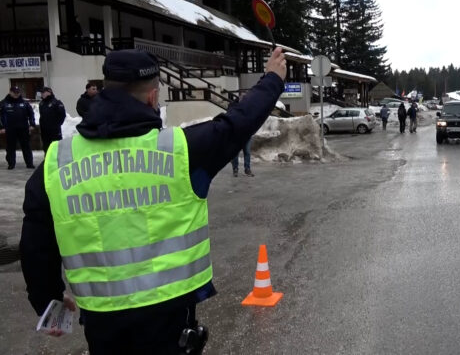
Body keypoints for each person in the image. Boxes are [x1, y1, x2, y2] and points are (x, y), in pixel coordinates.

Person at [20, 48, 286, 353]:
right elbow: (238, 122)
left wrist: (48, 300)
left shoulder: (56, 163)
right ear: (151, 97)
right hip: (169, 322)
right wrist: (272, 80)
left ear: (105, 88)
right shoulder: (181, 151)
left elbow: (35, 247)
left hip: (102, 323)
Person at [0, 86, 36, 169]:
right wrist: (1, 127)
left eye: (18, 92)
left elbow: (31, 114)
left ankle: (29, 163)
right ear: (10, 92)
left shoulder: (24, 103)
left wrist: (32, 124)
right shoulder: (3, 103)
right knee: (10, 147)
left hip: (23, 128)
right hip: (10, 129)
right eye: (14, 92)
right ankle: (11, 164)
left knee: (26, 146)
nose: (16, 94)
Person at [39, 87, 66, 153]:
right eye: (41, 93)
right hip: (44, 130)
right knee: (46, 147)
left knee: (56, 147)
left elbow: (62, 115)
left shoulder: (56, 103)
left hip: (54, 130)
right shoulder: (41, 103)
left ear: (49, 92)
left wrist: (57, 124)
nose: (42, 94)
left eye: (43, 92)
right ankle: (47, 160)